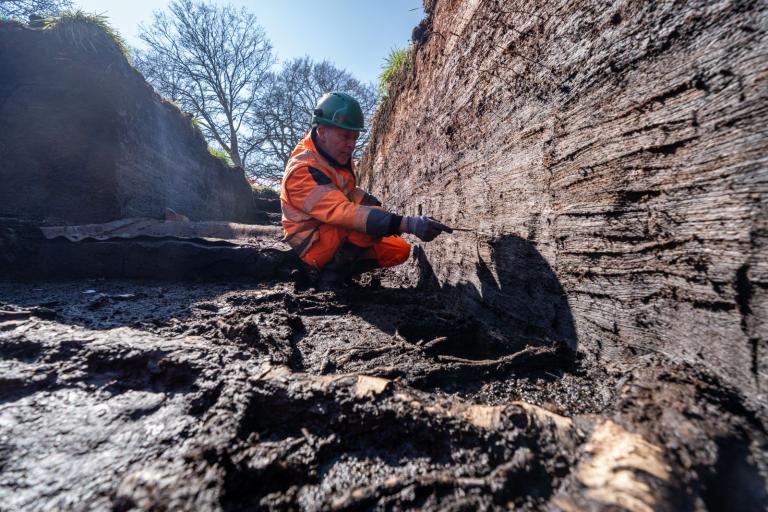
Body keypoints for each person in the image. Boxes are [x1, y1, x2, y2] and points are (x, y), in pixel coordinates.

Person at [280, 91, 452, 288]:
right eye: (345, 136)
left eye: (354, 137)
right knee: (367, 223)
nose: (351, 145)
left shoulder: (333, 157)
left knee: (398, 250)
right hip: (312, 246)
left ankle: (338, 270)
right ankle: (328, 278)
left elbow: (347, 192)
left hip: (329, 233)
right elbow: (341, 212)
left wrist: (371, 203)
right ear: (321, 131)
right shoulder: (302, 170)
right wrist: (406, 224)